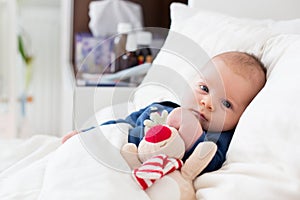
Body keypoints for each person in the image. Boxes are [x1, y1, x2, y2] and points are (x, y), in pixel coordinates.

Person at [62, 51, 267, 174]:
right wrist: (88, 133)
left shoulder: (218, 139)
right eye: (204, 89)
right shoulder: (161, 107)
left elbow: (210, 162)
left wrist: (192, 131)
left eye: (226, 103)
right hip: (121, 153)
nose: (207, 103)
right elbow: (123, 123)